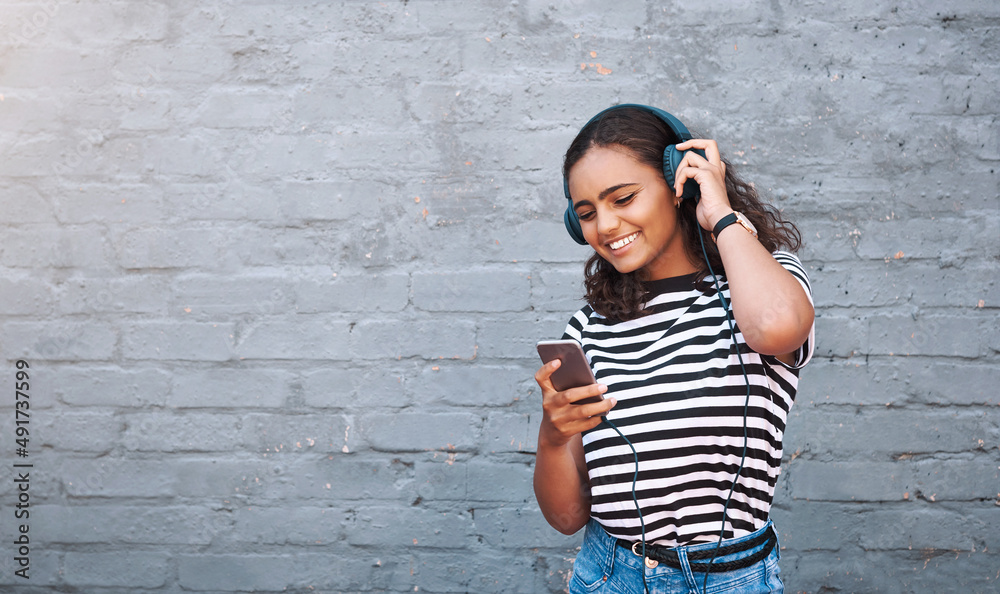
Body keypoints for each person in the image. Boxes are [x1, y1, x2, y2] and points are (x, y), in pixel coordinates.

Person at [533, 105, 815, 594]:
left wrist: (721, 214)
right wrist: (554, 437)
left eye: (622, 198)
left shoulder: (764, 282)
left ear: (678, 181)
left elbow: (776, 329)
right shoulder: (588, 329)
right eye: (586, 214)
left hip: (728, 578)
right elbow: (566, 517)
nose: (605, 225)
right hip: (609, 575)